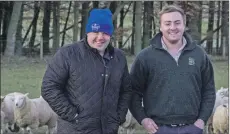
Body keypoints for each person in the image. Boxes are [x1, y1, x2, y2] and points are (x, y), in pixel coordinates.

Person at [41, 8, 132, 134]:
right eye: (96, 31)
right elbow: (49, 87)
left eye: (105, 32)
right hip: (75, 130)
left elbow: (126, 90)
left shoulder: (119, 57)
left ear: (110, 34)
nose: (100, 37)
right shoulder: (68, 54)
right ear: (88, 31)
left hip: (108, 129)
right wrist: (73, 115)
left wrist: (119, 116)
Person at [129, 5, 216, 134]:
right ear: (160, 27)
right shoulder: (145, 57)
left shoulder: (199, 55)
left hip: (192, 128)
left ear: (184, 24)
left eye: (177, 23)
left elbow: (209, 91)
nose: (173, 28)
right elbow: (132, 92)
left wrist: (201, 120)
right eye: (167, 23)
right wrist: (143, 119)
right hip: (159, 129)